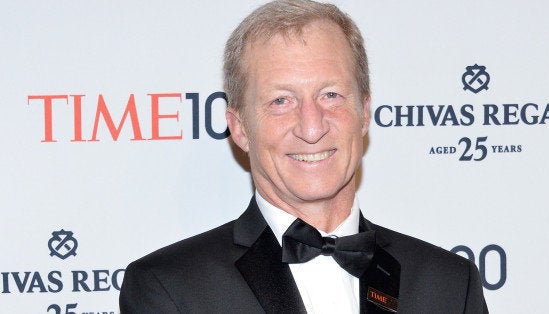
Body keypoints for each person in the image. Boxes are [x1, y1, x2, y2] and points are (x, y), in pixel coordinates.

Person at [119, 0, 488, 313]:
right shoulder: (171, 288)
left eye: (330, 95)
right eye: (281, 101)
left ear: (364, 113)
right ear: (240, 128)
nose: (312, 128)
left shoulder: (451, 285)